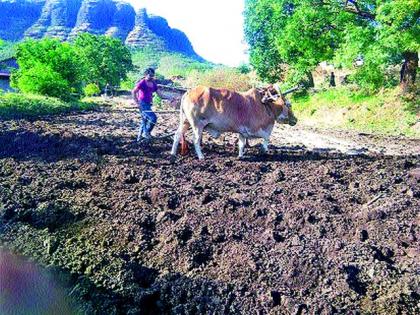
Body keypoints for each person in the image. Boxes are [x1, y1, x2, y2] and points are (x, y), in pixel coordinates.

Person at [132, 68, 164, 141]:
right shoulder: (142, 82)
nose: (151, 77)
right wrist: (137, 103)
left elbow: (161, 95)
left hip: (149, 104)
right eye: (150, 75)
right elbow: (133, 92)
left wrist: (170, 98)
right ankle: (146, 133)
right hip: (142, 104)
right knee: (153, 118)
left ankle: (139, 139)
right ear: (146, 75)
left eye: (153, 75)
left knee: (144, 121)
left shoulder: (153, 83)